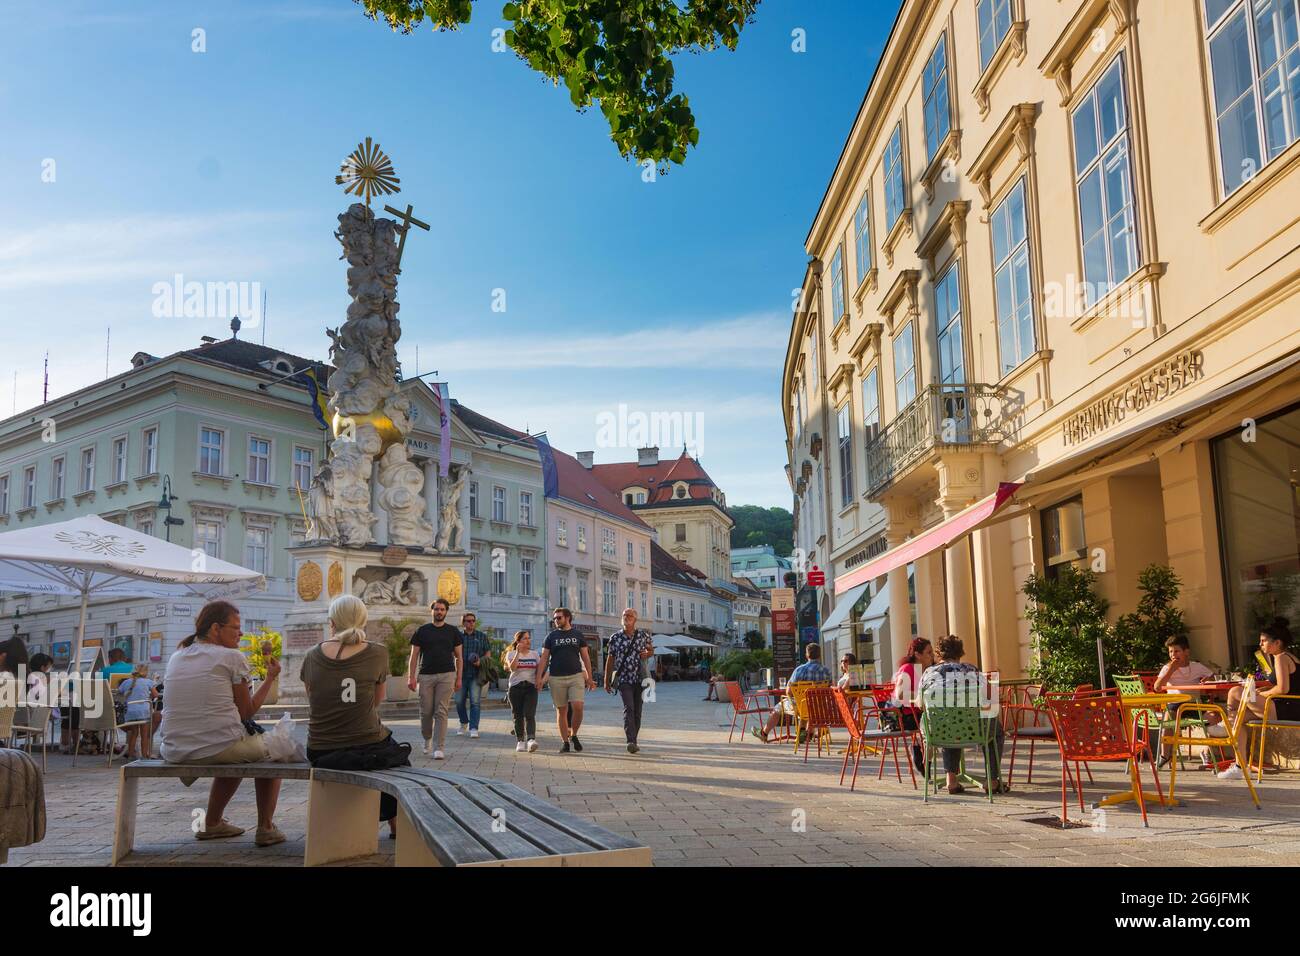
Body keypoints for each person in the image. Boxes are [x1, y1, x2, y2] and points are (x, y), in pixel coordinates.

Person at [159, 600, 285, 847]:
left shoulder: (177, 655)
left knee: (235, 747)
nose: (241, 633)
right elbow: (246, 712)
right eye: (235, 628)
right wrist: (270, 678)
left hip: (173, 748)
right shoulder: (231, 657)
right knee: (275, 750)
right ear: (216, 629)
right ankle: (266, 828)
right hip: (211, 747)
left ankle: (213, 822)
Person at [302, 594, 406, 839]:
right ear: (363, 620)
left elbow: (313, 699)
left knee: (381, 752)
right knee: (395, 757)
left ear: (332, 622)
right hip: (365, 743)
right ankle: (396, 825)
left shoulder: (312, 655)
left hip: (320, 749)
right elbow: (375, 701)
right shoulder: (377, 653)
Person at [919, 635, 1006, 795]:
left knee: (947, 721)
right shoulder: (972, 670)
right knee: (996, 731)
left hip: (939, 730)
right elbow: (991, 702)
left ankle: (951, 780)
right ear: (961, 652)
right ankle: (992, 781)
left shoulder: (928, 673)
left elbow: (920, 705)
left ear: (939, 653)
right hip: (973, 729)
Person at [1221, 618, 1300, 779]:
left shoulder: (1280, 657)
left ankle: (1225, 724)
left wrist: (1257, 695)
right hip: (1288, 705)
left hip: (1288, 708)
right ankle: (1239, 765)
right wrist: (1263, 690)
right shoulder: (1290, 657)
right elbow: (1286, 686)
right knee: (1239, 718)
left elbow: (1283, 689)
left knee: (1235, 691)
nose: (1261, 645)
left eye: (1264, 641)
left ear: (1277, 643)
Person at [406, 598, 463, 759]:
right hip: (425, 675)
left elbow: (459, 657)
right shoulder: (422, 631)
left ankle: (439, 747)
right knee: (426, 712)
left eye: (442, 609)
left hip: (447, 675)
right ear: (431, 611)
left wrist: (459, 678)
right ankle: (427, 738)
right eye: (436, 609)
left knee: (441, 711)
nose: (439, 612)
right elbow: (414, 655)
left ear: (446, 612)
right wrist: (411, 677)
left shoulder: (453, 632)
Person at [536, 607, 595, 754]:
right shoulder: (551, 637)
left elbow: (586, 657)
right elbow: (544, 659)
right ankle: (565, 742)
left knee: (578, 706)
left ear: (567, 618)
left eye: (559, 618)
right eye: (555, 618)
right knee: (561, 710)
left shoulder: (578, 635)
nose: (556, 620)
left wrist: (590, 678)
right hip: (556, 677)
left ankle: (574, 734)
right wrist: (539, 678)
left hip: (576, 675)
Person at [1150, 634, 1214, 767]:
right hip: (1175, 706)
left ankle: (1206, 751)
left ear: (1186, 652)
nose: (1173, 655)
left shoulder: (1196, 666)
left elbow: (1212, 676)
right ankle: (1164, 755)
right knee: (1168, 718)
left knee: (1215, 717)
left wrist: (1208, 679)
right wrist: (1171, 670)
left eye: (1177, 651)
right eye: (1170, 652)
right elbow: (1157, 687)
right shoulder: (1167, 668)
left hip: (1194, 705)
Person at [752, 643, 832, 742]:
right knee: (809, 708)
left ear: (807, 655)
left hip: (800, 706)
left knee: (777, 709)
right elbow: (829, 689)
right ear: (820, 655)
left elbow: (788, 691)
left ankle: (764, 733)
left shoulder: (800, 670)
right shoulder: (827, 671)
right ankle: (807, 734)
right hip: (818, 707)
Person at [604, 609, 654, 754]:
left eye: (629, 616)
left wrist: (648, 653)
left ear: (635, 620)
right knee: (629, 708)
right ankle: (630, 740)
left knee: (638, 711)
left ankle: (634, 740)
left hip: (640, 678)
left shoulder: (643, 635)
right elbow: (610, 659)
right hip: (624, 678)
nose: (626, 618)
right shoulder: (615, 637)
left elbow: (651, 650)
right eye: (624, 615)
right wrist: (607, 681)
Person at [892, 638, 933, 771]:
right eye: (929, 653)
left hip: (922, 713)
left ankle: (922, 753)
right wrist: (921, 698)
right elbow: (900, 695)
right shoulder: (908, 668)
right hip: (908, 716)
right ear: (917, 654)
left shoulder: (928, 670)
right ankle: (923, 757)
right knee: (936, 725)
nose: (932, 656)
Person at [455, 611, 489, 739]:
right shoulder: (458, 636)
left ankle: (474, 727)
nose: (471, 623)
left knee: (475, 702)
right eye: (468, 621)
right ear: (463, 623)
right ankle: (463, 723)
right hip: (460, 674)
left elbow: (487, 654)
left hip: (476, 674)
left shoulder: (481, 636)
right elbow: (452, 653)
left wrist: (481, 661)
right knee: (459, 701)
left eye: (473, 621)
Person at [505, 630, 540, 753]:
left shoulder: (535, 654)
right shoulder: (511, 653)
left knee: (530, 714)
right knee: (517, 715)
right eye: (525, 638)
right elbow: (512, 668)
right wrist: (518, 653)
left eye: (529, 638)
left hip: (531, 687)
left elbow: (539, 670)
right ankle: (520, 740)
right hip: (515, 687)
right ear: (518, 641)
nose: (528, 640)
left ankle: (531, 740)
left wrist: (540, 681)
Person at [116, 663, 158, 759]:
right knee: (144, 734)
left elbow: (119, 693)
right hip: (143, 712)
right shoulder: (148, 682)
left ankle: (130, 755)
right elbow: (156, 695)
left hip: (130, 712)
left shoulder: (126, 682)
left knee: (134, 733)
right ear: (145, 673)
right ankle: (144, 756)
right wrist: (148, 697)